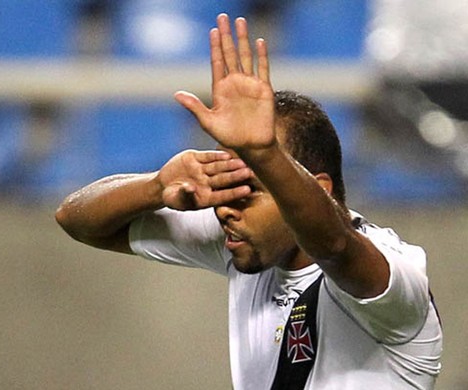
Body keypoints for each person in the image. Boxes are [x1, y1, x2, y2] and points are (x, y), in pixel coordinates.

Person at [55, 14, 442, 389]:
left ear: (319, 187)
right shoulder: (246, 239)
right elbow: (76, 219)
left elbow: (335, 246)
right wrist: (156, 186)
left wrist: (266, 153)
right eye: (228, 188)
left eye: (250, 189)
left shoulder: (396, 273)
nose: (225, 209)